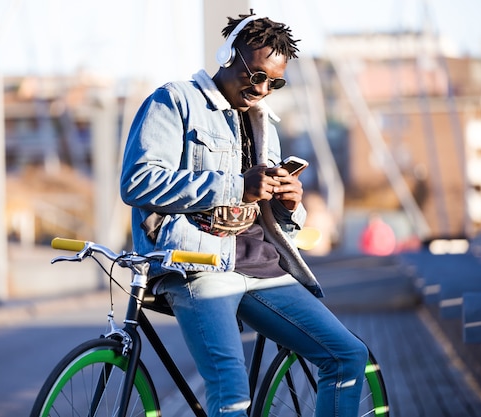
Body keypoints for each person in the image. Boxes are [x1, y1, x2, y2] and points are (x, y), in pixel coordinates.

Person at [120, 12, 367, 417]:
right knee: (232, 396)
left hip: (263, 267)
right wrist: (236, 185)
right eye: (257, 76)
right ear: (227, 55)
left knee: (347, 356)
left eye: (275, 82)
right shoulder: (174, 100)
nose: (263, 89)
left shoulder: (264, 122)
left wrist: (289, 205)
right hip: (199, 264)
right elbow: (138, 182)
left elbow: (263, 207)